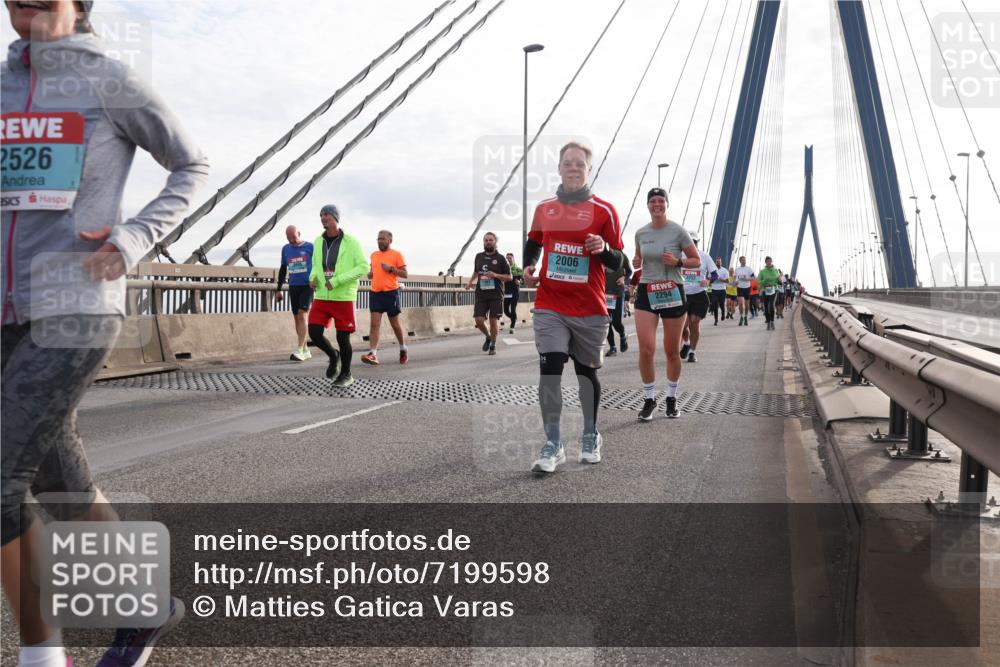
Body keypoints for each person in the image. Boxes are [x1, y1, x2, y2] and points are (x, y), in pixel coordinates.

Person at [1, 2, 209, 666]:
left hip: (78, 303)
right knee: (62, 481)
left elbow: (192, 165)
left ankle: (41, 656)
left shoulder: (110, 80)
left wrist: (132, 238)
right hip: (8, 310)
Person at [522, 141, 624, 472]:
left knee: (585, 375)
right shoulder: (545, 208)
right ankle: (553, 443)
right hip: (551, 303)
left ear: (588, 169)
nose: (573, 167)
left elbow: (620, 263)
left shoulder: (604, 211)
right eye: (568, 162)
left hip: (589, 307)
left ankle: (591, 434)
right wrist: (528, 266)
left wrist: (604, 248)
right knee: (549, 371)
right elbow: (533, 242)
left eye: (580, 163)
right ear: (559, 167)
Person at [633, 188, 701, 421]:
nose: (657, 204)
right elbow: (638, 257)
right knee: (645, 349)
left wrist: (678, 261)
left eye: (661, 200)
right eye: (653, 201)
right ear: (648, 205)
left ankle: (671, 398)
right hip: (647, 290)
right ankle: (649, 399)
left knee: (671, 351)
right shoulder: (641, 233)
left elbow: (695, 261)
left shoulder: (678, 231)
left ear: (667, 204)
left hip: (672, 290)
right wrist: (636, 260)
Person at [308, 204, 368, 387]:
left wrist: (338, 280)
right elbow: (315, 264)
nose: (323, 218)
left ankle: (346, 374)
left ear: (335, 217)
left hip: (343, 297)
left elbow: (364, 267)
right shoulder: (318, 241)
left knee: (343, 338)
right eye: (321, 215)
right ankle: (334, 356)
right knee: (314, 333)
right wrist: (312, 277)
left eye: (326, 214)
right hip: (322, 295)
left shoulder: (351, 242)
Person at [360, 230, 409, 366]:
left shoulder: (396, 254)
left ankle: (403, 348)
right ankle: (373, 354)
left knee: (395, 324)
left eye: (382, 239)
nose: (380, 241)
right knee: (374, 324)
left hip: (391, 293)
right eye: (378, 239)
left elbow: (405, 274)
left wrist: (391, 269)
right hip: (375, 293)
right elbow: (373, 271)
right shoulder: (374, 255)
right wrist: (370, 274)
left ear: (390, 241)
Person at [464, 232, 511, 355]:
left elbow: (509, 277)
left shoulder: (501, 258)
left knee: (493, 321)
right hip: (481, 293)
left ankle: (493, 345)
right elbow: (476, 272)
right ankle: (488, 336)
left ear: (495, 242)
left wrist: (496, 275)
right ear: (483, 242)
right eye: (486, 240)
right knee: (478, 320)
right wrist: (470, 282)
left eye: (490, 240)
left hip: (496, 294)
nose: (488, 242)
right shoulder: (478, 256)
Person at [275, 225, 314, 361]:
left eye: (294, 237)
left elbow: (319, 265)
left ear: (299, 233)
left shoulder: (310, 247)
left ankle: (300, 349)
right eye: (289, 238)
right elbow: (282, 269)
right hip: (293, 286)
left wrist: (318, 281)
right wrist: (279, 289)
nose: (292, 240)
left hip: (307, 286)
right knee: (297, 318)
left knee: (303, 316)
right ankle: (305, 349)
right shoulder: (286, 249)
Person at [678, 231, 716, 362]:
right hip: (682, 295)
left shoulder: (704, 257)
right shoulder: (679, 256)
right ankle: (686, 342)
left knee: (694, 322)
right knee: (683, 325)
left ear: (697, 243)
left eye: (694, 242)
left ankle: (692, 352)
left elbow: (715, 274)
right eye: (689, 242)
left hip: (699, 294)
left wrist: (708, 281)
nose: (692, 244)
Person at [604, 247, 631, 356]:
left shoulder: (621, 255)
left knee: (616, 322)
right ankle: (612, 347)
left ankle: (623, 335)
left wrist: (623, 278)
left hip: (617, 293)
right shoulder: (600, 254)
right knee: (606, 322)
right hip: (603, 293)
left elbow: (629, 271)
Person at [757, 256, 781, 330]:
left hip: (773, 290)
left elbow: (778, 280)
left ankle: (772, 322)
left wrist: (779, 280)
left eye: (770, 261)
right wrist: (764, 281)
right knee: (766, 307)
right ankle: (768, 322)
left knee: (771, 306)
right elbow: (759, 281)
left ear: (771, 261)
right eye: (767, 261)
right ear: (766, 262)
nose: (769, 262)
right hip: (765, 290)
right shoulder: (762, 271)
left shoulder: (775, 270)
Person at [503, 252, 523, 334]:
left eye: (510, 258)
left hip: (515, 291)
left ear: (513, 259)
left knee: (513, 308)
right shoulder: (504, 270)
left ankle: (512, 326)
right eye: (507, 258)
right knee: (506, 311)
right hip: (507, 292)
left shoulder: (518, 270)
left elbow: (523, 280)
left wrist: (520, 282)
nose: (508, 259)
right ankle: (514, 319)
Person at [733, 256, 754, 326]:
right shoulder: (737, 269)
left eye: (744, 260)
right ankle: (741, 316)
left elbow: (753, 277)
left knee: (747, 304)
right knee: (741, 303)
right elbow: (735, 278)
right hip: (739, 287)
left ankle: (745, 317)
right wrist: (734, 282)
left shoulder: (749, 269)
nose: (744, 261)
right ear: (740, 261)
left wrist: (747, 279)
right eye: (742, 260)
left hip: (747, 288)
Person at [709, 257, 728, 326]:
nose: (718, 263)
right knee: (714, 304)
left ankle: (723, 313)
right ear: (715, 263)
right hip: (714, 290)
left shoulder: (725, 270)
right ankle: (716, 319)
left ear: (721, 262)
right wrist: (713, 279)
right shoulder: (712, 270)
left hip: (722, 290)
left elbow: (727, 281)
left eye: (719, 262)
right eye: (717, 262)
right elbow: (709, 280)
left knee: (722, 304)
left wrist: (720, 279)